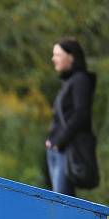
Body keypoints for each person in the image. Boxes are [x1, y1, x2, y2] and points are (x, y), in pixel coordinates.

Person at [46, 38, 98, 196]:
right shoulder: (68, 82)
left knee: (63, 202)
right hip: (57, 149)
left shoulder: (80, 80)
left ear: (71, 57)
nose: (53, 58)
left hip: (66, 149)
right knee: (57, 200)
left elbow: (81, 114)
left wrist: (59, 141)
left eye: (58, 55)